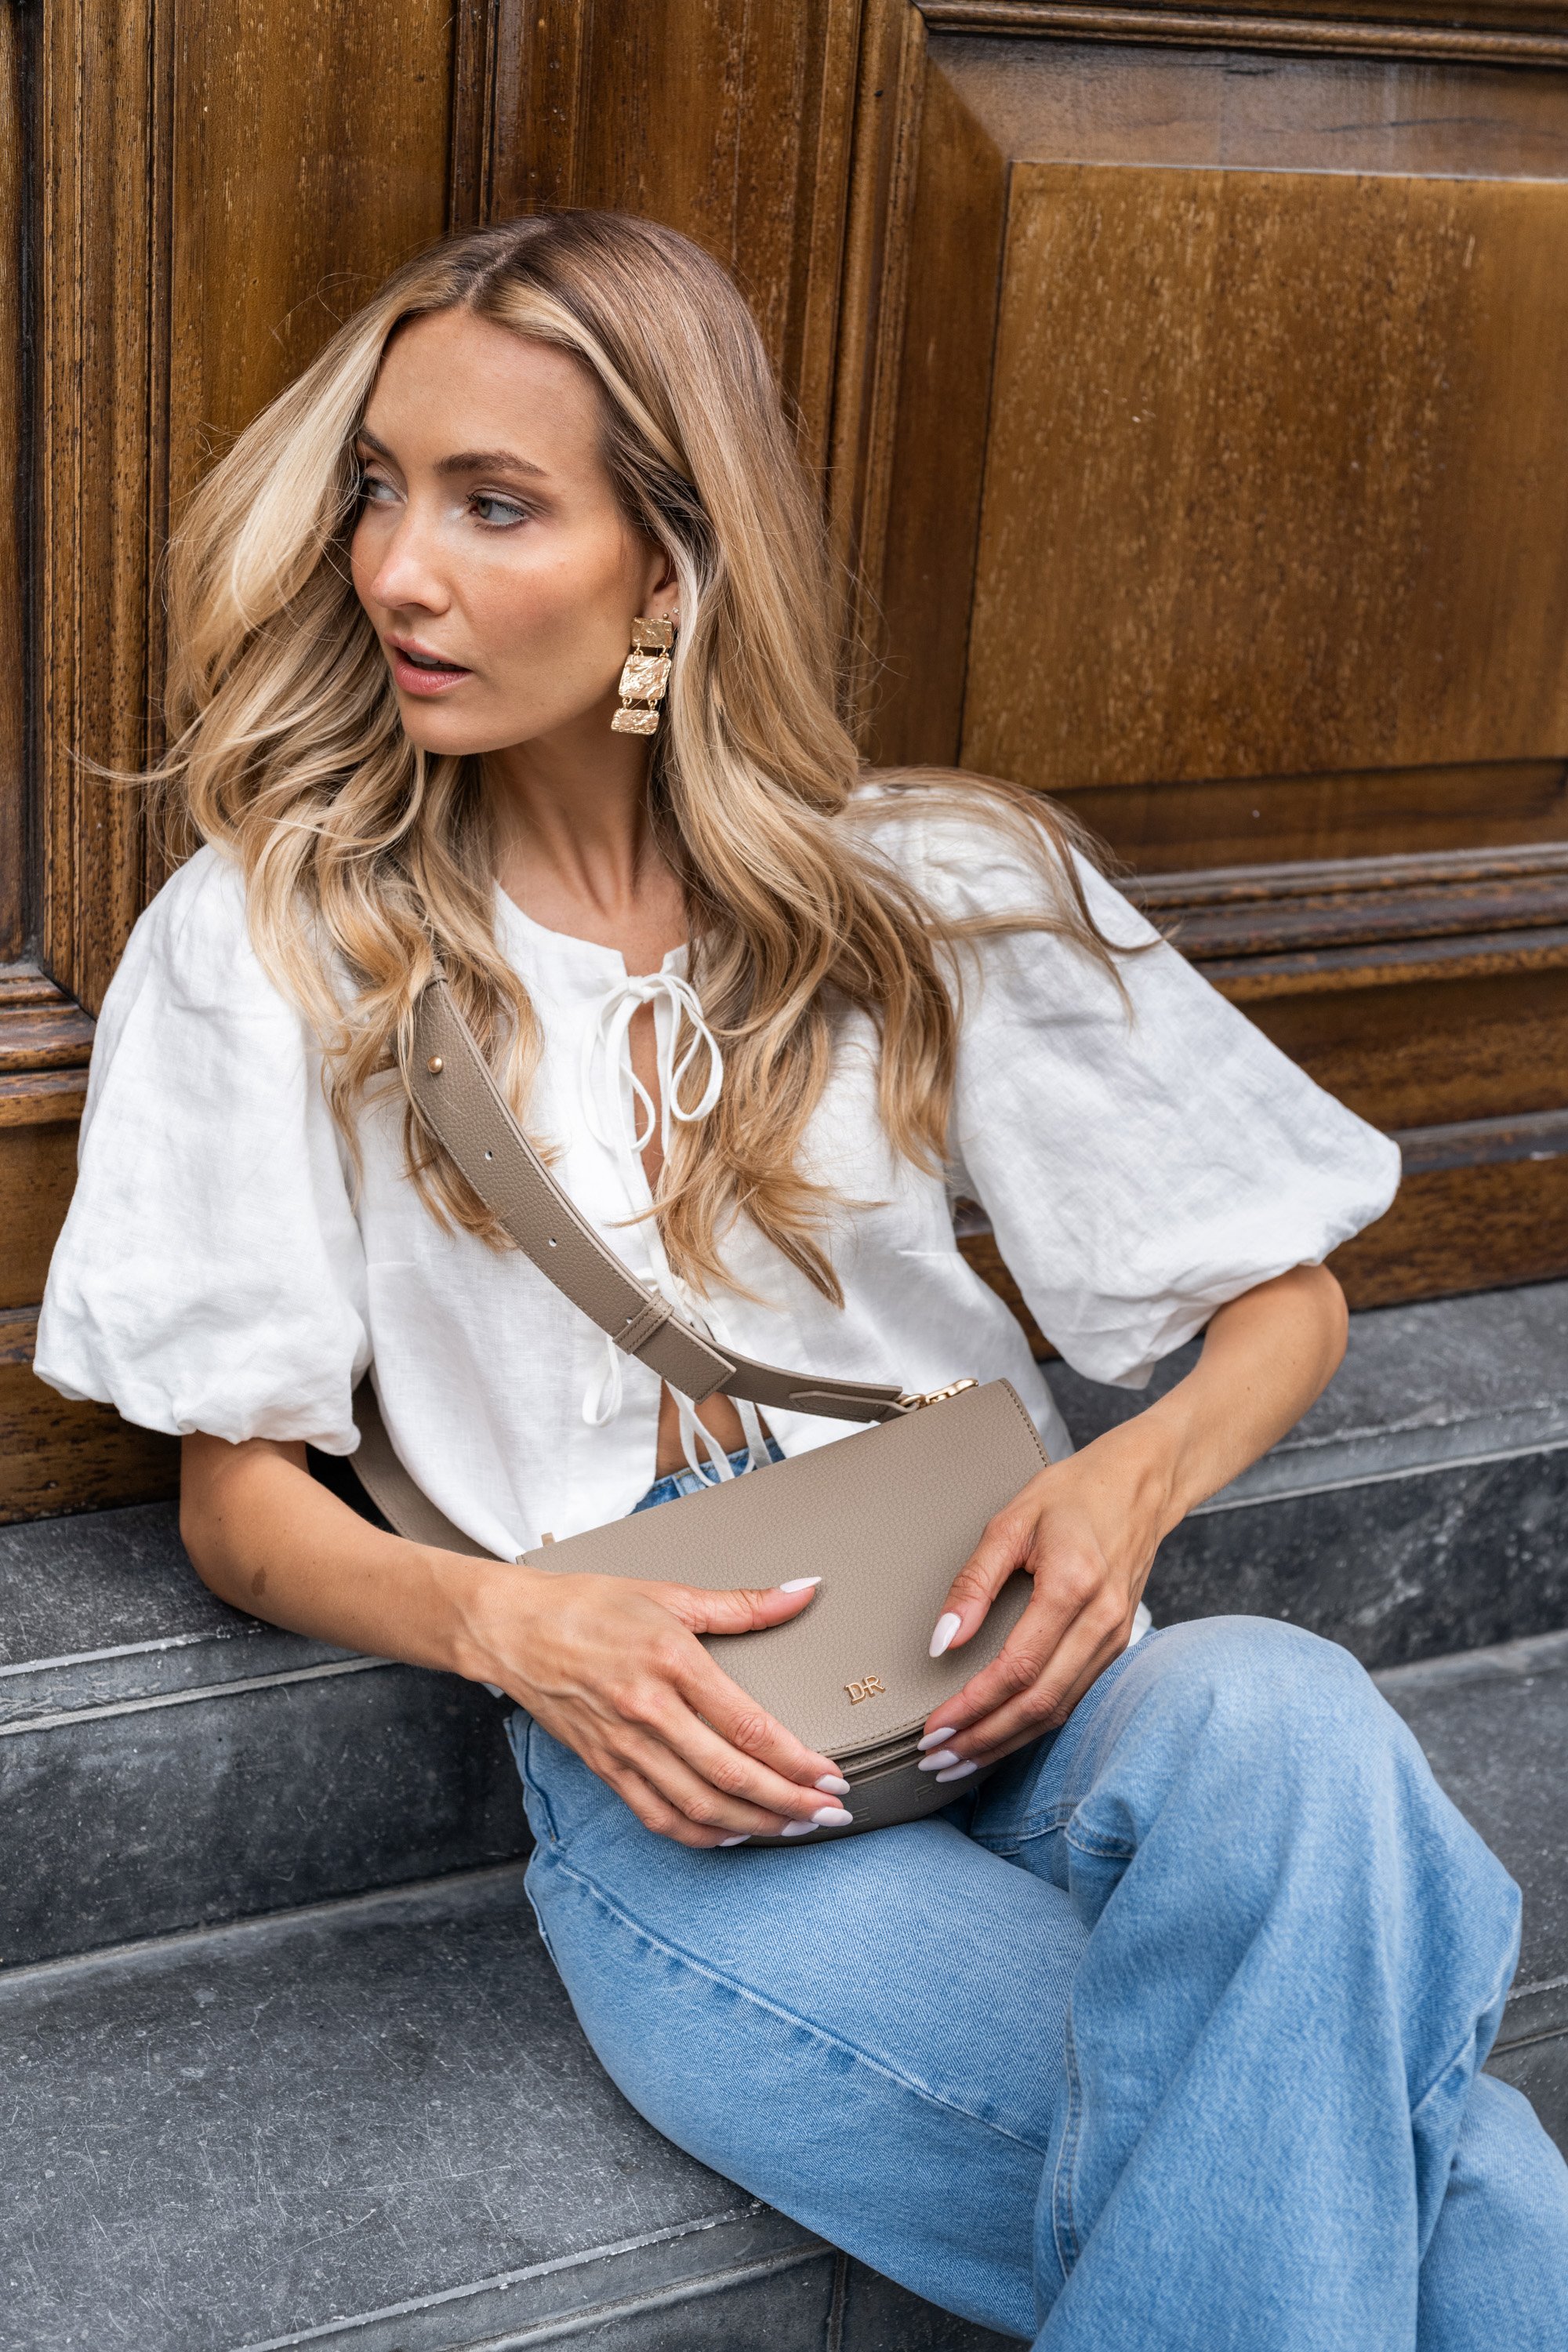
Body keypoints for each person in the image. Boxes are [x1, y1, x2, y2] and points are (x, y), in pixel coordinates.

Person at [37, 212, 1568, 2348]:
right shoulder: (280, 938)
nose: (395, 569)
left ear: (670, 567)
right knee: (1444, 2172)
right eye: (380, 490)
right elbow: (240, 1503)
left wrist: (1121, 1492)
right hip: (695, 1780)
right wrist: (519, 1629)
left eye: (494, 505)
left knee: (1289, 1713)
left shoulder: (925, 882)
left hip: (1017, 1650)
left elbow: (1281, 1295)